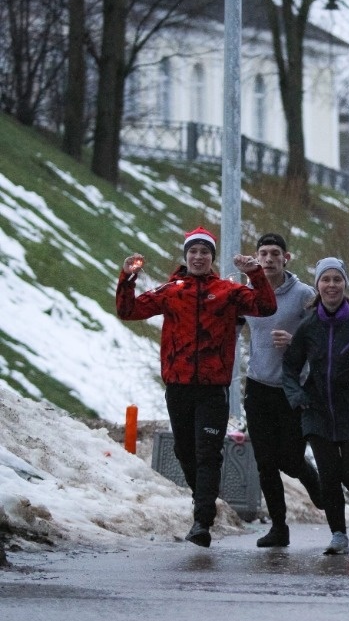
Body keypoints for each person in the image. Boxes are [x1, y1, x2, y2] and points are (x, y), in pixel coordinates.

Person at [116, 226, 277, 547]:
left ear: (212, 258)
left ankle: (202, 521)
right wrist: (128, 277)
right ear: (186, 255)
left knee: (207, 453)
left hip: (213, 389)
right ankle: (201, 499)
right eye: (193, 251)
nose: (198, 257)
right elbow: (128, 310)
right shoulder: (171, 290)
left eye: (205, 252)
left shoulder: (227, 291)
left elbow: (266, 307)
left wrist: (255, 273)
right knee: (185, 451)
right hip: (178, 386)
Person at [281, 257, 349, 555]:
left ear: (345, 284)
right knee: (329, 475)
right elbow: (290, 368)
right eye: (326, 280)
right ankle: (338, 535)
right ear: (317, 285)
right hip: (317, 410)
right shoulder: (308, 327)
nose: (331, 285)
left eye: (337, 279)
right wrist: (297, 396)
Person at [243, 233, 324, 548]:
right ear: (257, 257)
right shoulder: (249, 293)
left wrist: (294, 342)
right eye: (263, 253)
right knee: (265, 461)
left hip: (293, 387)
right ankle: (279, 527)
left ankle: (309, 477)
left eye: (275, 253)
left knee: (289, 459)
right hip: (258, 385)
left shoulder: (304, 294)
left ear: (285, 258)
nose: (269, 259)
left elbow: (321, 337)